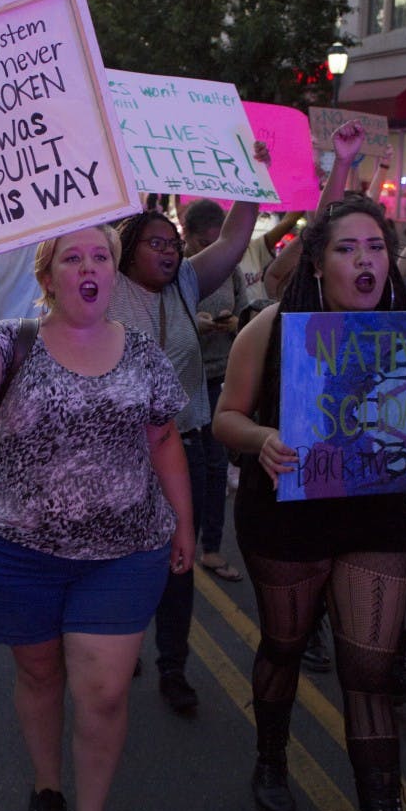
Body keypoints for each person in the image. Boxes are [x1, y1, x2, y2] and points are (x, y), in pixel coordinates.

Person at [0, 224, 193, 811]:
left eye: (100, 256)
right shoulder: (10, 341)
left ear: (113, 272)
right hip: (18, 551)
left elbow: (164, 439)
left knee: (103, 692)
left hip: (123, 552)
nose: (88, 266)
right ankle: (47, 785)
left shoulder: (142, 354)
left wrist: (185, 525)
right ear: (47, 278)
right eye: (71, 257)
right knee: (40, 673)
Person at [212, 123, 406, 811]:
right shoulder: (271, 328)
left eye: (375, 247)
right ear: (318, 262)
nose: (364, 260)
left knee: (368, 671)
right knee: (286, 645)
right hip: (288, 512)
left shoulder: (401, 333)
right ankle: (270, 756)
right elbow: (226, 417)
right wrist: (261, 438)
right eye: (347, 248)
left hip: (371, 513)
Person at [108, 140, 271, 713]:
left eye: (174, 243)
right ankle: (122, 642)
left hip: (188, 447)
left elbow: (233, 240)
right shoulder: (103, 287)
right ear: (125, 250)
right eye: (155, 243)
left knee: (178, 562)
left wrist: (251, 175)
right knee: (123, 558)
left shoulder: (184, 284)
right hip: (120, 454)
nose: (170, 251)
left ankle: (172, 666)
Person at [181, 198, 247, 582]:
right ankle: (180, 543)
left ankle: (211, 547)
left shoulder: (232, 270)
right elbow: (162, 323)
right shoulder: (176, 271)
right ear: (186, 236)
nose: (211, 252)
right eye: (203, 244)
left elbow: (247, 316)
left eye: (216, 242)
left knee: (216, 464)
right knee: (189, 466)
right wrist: (194, 324)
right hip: (184, 381)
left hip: (219, 377)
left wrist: (235, 322)